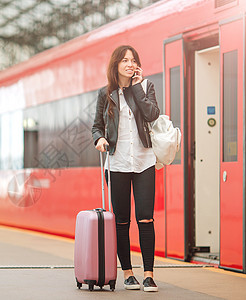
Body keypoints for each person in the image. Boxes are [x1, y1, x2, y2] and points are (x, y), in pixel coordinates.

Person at [92, 45, 160, 292]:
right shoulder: (105, 94)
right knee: (122, 221)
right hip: (117, 163)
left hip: (144, 162)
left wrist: (137, 88)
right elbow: (97, 126)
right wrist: (99, 139)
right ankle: (128, 273)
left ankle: (149, 275)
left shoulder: (146, 87)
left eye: (133, 60)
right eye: (124, 60)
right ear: (116, 65)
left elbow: (152, 114)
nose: (130, 64)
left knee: (146, 217)